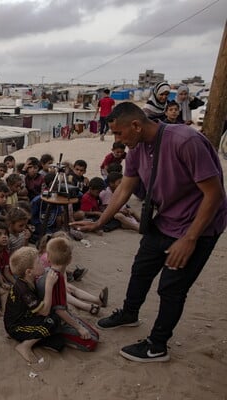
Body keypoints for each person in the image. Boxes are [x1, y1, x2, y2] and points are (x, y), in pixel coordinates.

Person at [72, 102, 227, 362]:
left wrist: (190, 239)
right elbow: (125, 189)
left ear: (136, 125)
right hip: (165, 219)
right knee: (141, 268)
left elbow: (214, 195)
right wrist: (100, 221)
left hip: (198, 226)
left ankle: (157, 346)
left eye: (119, 134)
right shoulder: (136, 148)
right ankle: (129, 314)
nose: (116, 140)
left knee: (171, 288)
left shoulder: (185, 141)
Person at [35, 237, 99, 352]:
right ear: (70, 260)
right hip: (52, 320)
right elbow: (59, 311)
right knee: (92, 342)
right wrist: (79, 328)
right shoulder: (56, 278)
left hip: (52, 315)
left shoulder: (50, 272)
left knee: (95, 334)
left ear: (48, 257)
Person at [4, 247, 62, 363]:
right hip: (16, 327)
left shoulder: (27, 281)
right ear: (29, 272)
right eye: (39, 262)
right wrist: (49, 285)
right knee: (52, 320)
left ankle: (31, 340)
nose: (43, 263)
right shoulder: (24, 290)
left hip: (26, 318)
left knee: (59, 343)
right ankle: (24, 346)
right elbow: (44, 311)